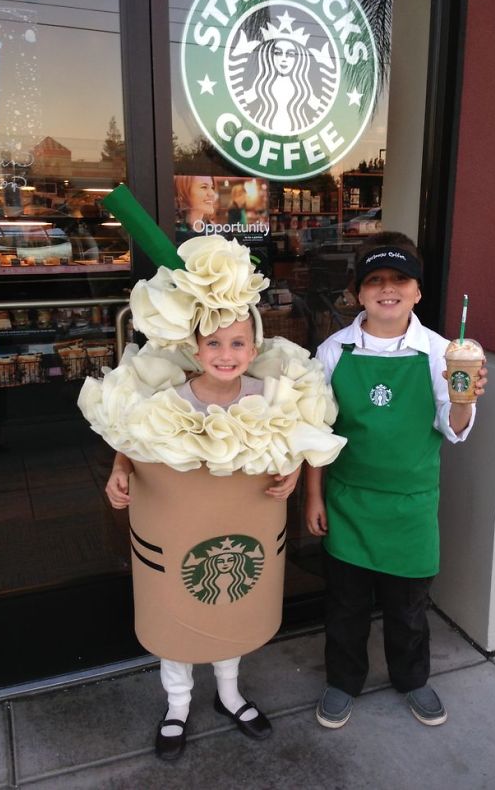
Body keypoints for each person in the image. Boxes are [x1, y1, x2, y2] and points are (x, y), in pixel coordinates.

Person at [305, 232, 487, 730]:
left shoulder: (441, 352)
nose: (389, 289)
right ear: (358, 293)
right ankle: (343, 681)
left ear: (418, 291)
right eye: (375, 281)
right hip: (347, 502)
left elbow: (454, 430)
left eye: (400, 279)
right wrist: (314, 495)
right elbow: (316, 430)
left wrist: (466, 396)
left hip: (410, 506)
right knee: (345, 607)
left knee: (409, 609)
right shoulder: (333, 350)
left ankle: (413, 679)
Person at [106, 315, 300, 760]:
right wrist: (120, 468)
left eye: (237, 344)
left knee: (228, 610)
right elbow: (130, 440)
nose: (226, 354)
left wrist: (292, 469)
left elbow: (293, 443)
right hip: (181, 531)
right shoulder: (167, 401)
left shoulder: (267, 398)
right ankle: (178, 705)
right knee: (179, 610)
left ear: (254, 351)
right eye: (213, 343)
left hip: (236, 526)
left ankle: (229, 694)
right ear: (196, 351)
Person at [174, 175, 217, 242]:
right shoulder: (175, 233)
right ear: (183, 192)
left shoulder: (214, 231)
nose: (212, 193)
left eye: (212, 187)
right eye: (204, 187)